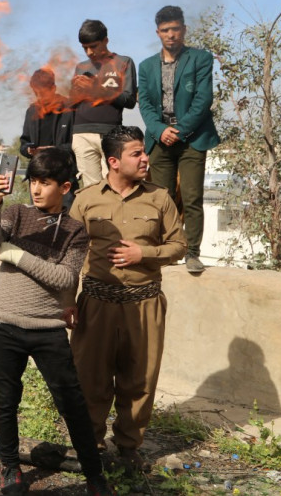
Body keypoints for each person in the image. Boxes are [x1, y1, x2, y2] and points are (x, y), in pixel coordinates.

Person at [0, 148, 112, 496]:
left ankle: (95, 477)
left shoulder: (74, 231)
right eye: (33, 182)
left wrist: (13, 253)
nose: (36, 190)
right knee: (5, 400)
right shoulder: (16, 213)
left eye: (45, 183)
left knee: (71, 402)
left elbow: (65, 278)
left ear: (65, 186)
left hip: (47, 328)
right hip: (3, 324)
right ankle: (11, 470)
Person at [69, 125, 186, 472]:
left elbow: (180, 246)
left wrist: (144, 253)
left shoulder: (160, 198)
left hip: (145, 303)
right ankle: (90, 445)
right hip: (97, 303)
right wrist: (65, 301)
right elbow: (69, 255)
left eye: (144, 152)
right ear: (114, 161)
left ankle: (128, 447)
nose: (145, 158)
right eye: (137, 153)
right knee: (90, 379)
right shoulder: (86, 199)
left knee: (140, 380)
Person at [137, 6, 220, 274]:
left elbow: (203, 100)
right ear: (157, 32)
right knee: (162, 200)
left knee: (193, 197)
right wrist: (159, 129)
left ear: (183, 29)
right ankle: (167, 252)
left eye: (175, 29)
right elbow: (146, 103)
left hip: (192, 138)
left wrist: (180, 130)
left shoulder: (200, 59)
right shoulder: (146, 66)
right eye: (165, 30)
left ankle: (193, 253)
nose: (170, 35)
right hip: (159, 139)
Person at [70, 20, 137, 188]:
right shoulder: (80, 67)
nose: (89, 52)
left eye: (93, 46)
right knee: (91, 190)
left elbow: (129, 101)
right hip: (81, 133)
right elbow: (73, 104)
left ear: (105, 41)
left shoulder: (124, 62)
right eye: (84, 48)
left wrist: (97, 87)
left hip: (109, 132)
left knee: (117, 184)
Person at [20, 68, 77, 209]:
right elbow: (23, 142)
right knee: (39, 223)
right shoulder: (31, 110)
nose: (40, 97)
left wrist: (55, 150)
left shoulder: (69, 109)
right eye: (36, 93)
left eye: (43, 93)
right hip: (38, 176)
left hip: (62, 175)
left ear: (53, 88)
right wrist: (28, 150)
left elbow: (77, 144)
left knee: (65, 220)